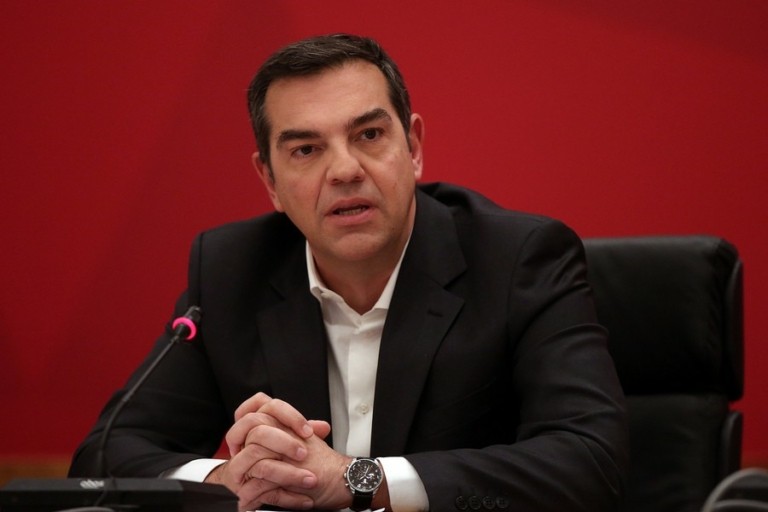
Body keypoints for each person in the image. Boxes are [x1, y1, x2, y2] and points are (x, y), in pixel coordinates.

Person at [69, 34, 629, 512]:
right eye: (306, 149)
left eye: (369, 136)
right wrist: (229, 479)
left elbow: (590, 461)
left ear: (413, 147)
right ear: (270, 182)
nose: (344, 170)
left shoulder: (518, 259)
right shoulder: (231, 271)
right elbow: (104, 455)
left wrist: (357, 480)